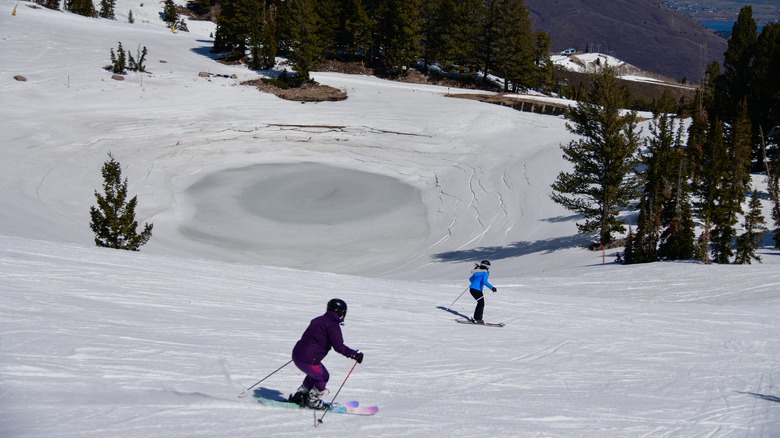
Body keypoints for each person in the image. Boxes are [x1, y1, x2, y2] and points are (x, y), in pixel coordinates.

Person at [289, 298, 364, 409]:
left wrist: (302, 352)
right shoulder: (333, 325)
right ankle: (312, 401)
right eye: (343, 312)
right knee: (323, 377)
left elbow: (309, 337)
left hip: (297, 354)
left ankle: (300, 395)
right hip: (309, 359)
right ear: (339, 312)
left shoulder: (317, 320)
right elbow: (339, 347)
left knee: (316, 374)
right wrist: (355, 355)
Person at [468, 260, 497, 324]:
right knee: (481, 304)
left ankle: (477, 318)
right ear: (486, 266)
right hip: (477, 289)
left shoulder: (477, 271)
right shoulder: (485, 272)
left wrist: (475, 283)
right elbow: (485, 282)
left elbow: (470, 279)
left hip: (472, 289)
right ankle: (478, 319)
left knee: (480, 303)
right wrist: (492, 288)